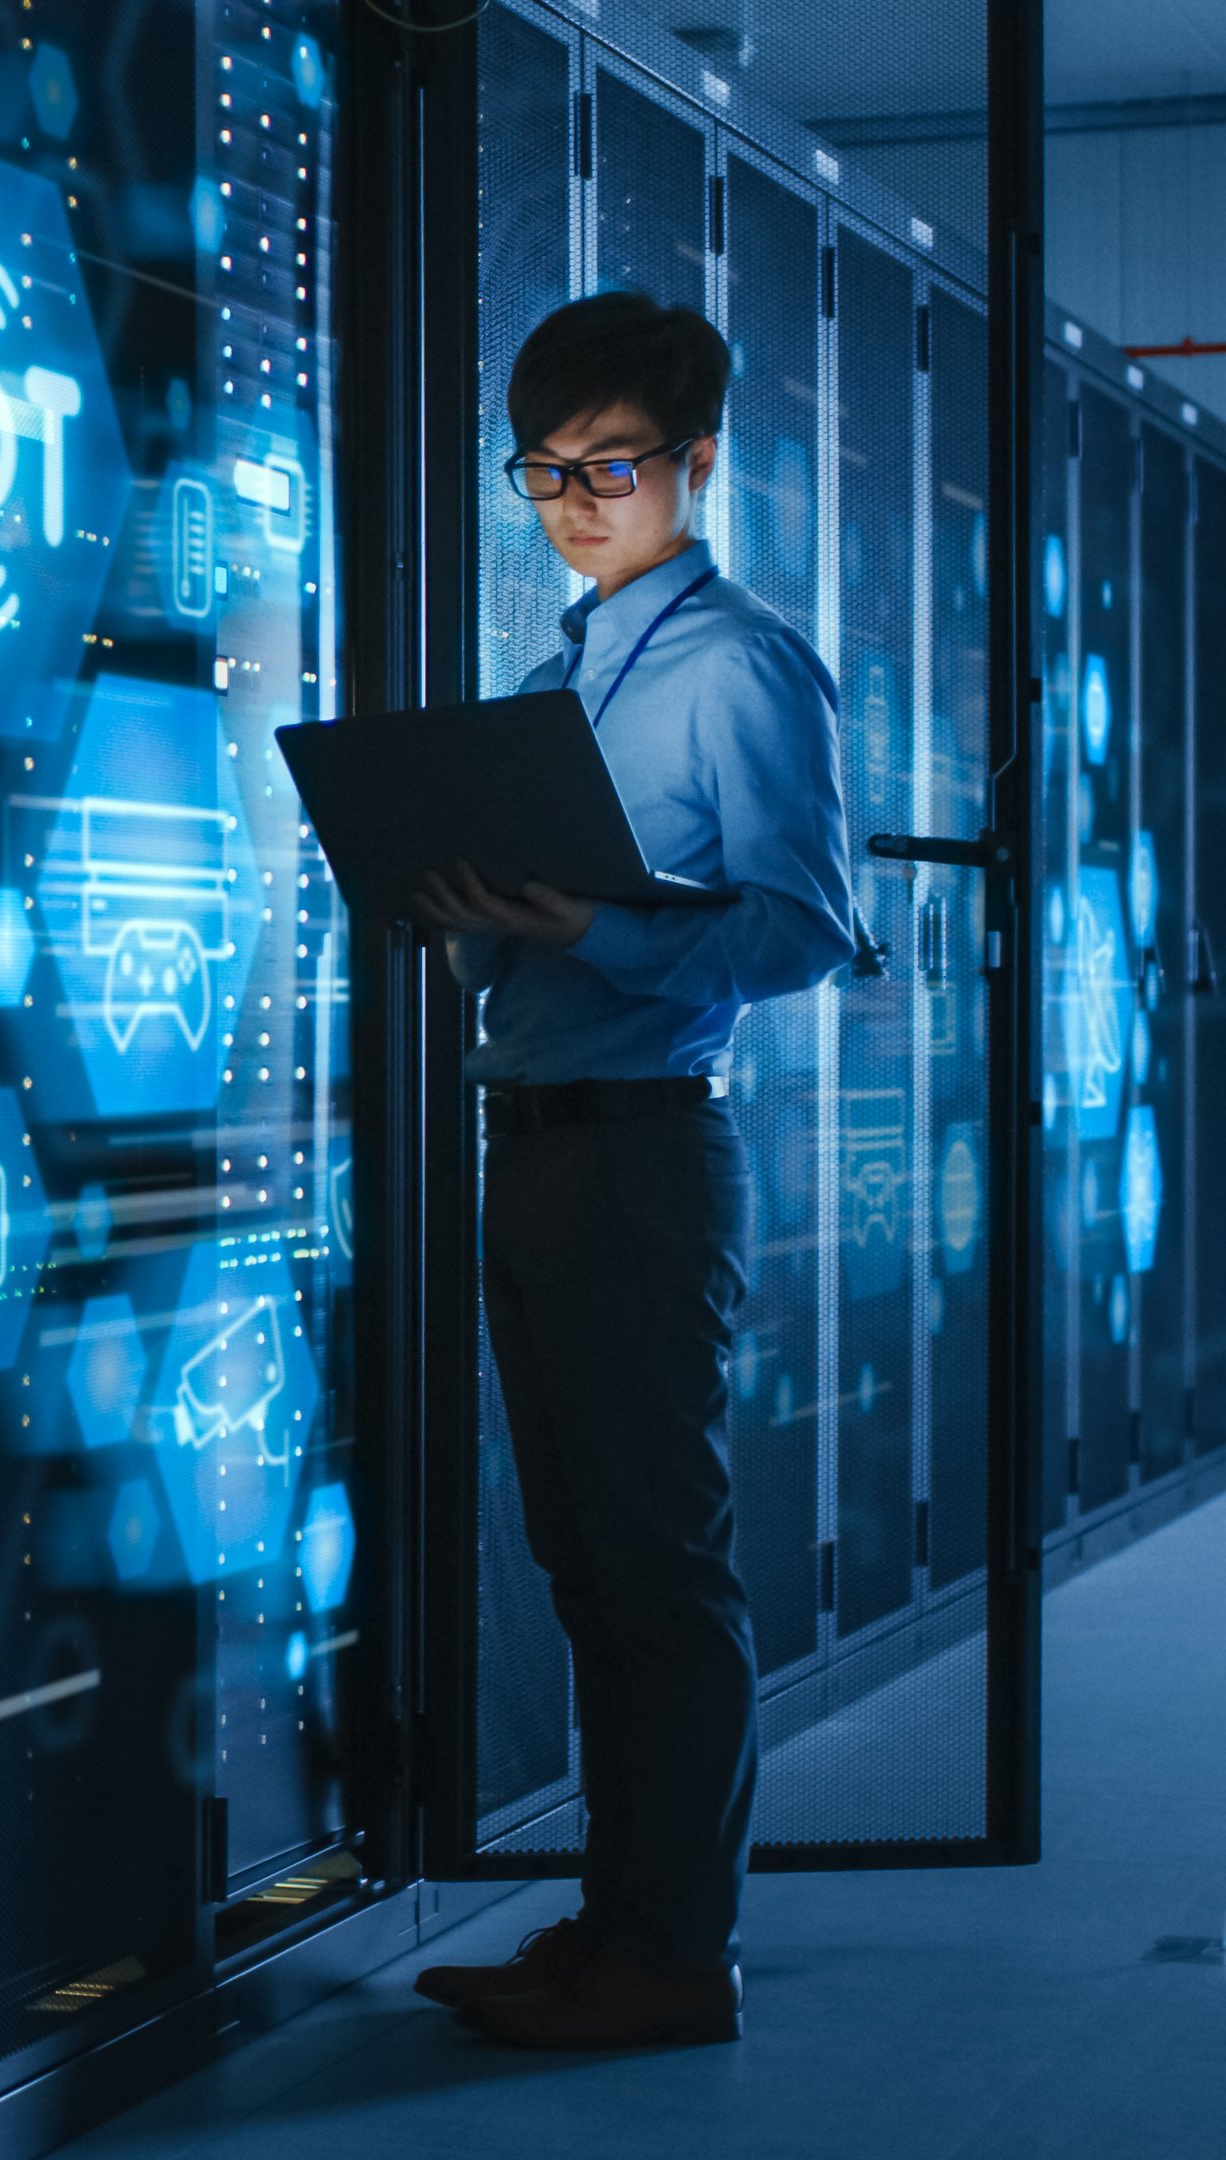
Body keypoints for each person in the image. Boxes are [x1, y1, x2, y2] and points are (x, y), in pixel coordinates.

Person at [404, 289, 855, 2048]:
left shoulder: (739, 663)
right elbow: (520, 944)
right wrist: (463, 918)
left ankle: (673, 1956)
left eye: (612, 465)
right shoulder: (551, 677)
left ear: (697, 464)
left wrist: (587, 924)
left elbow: (808, 929)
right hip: (531, 1144)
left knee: (659, 1573)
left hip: (649, 1155)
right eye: (544, 471)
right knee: (588, 1568)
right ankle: (622, 1923)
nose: (575, 501)